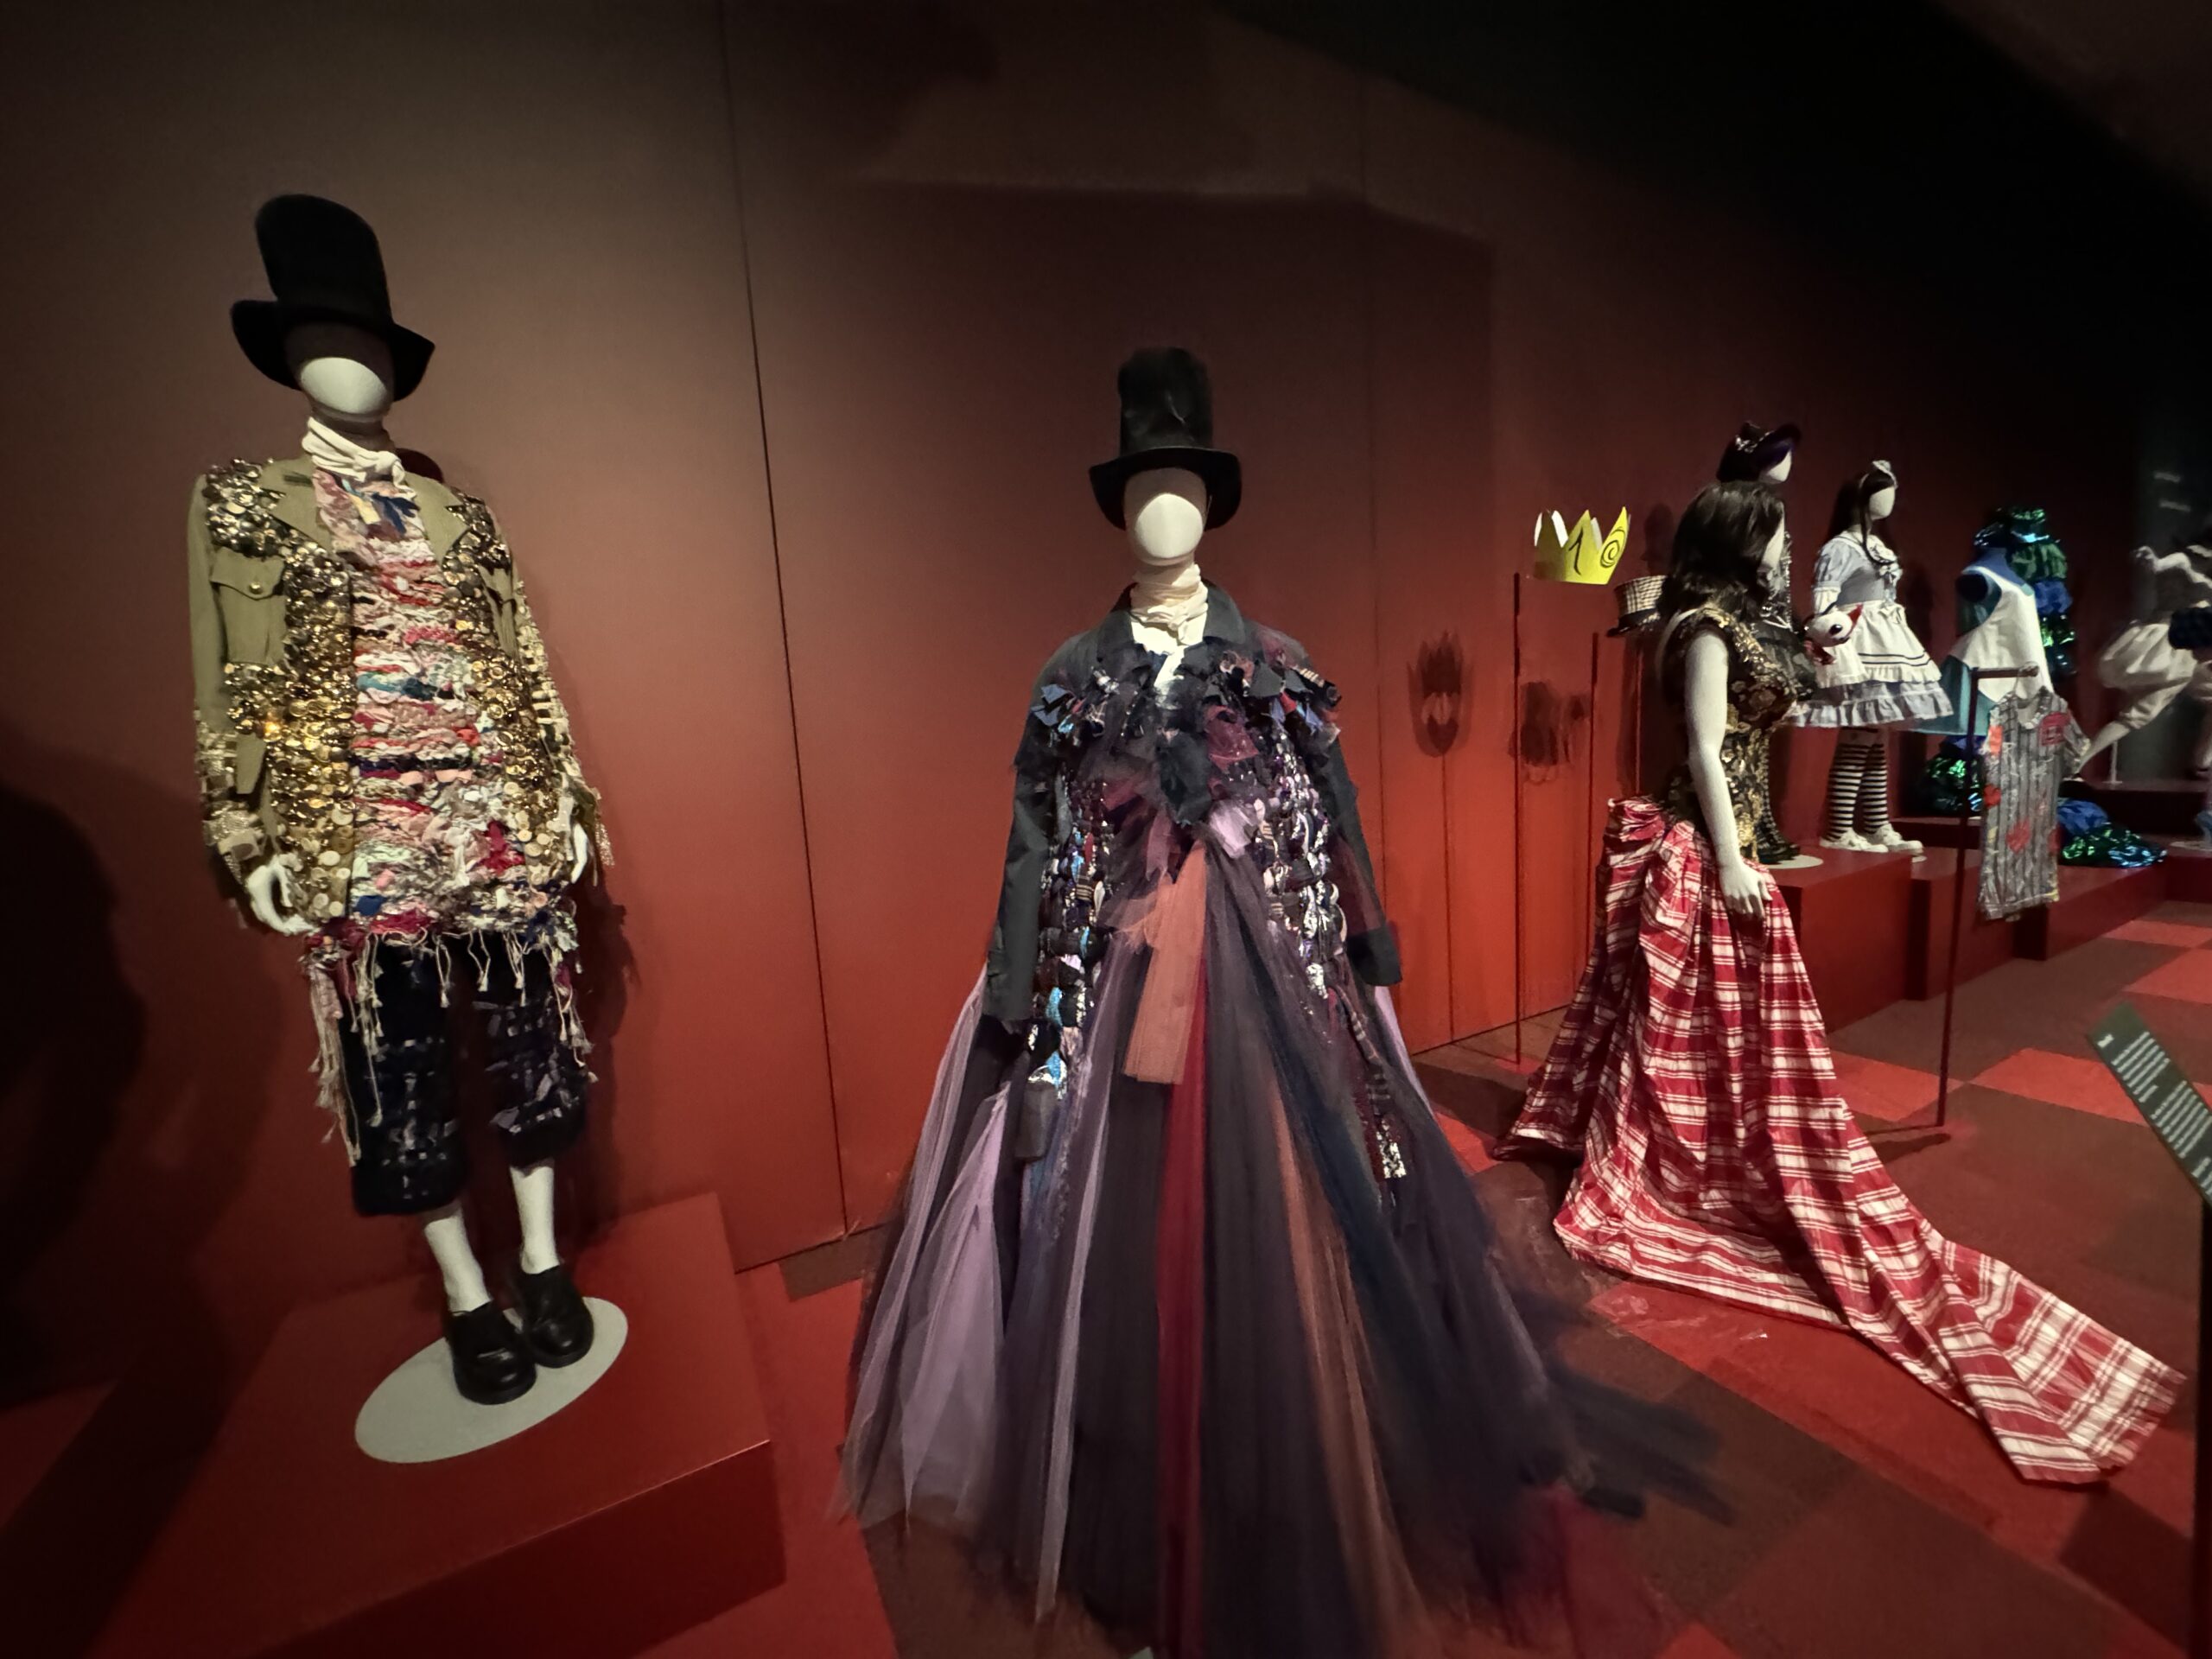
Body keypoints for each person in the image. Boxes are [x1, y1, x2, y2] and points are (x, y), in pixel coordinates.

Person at [842, 350, 1689, 1659]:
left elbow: (1332, 812)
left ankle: (1306, 1447)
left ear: (1212, 501)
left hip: (1271, 975)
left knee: (1297, 1210)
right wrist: (1017, 990)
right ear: (1118, 505)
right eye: (1144, 484)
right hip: (1113, 976)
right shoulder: (1072, 670)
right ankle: (1133, 1478)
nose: (1163, 507)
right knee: (1109, 1237)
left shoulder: (1276, 661)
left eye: (1182, 483)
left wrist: (1366, 943)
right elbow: (1032, 837)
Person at [1505, 480, 2181, 1484]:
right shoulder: (1702, 630)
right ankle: (1671, 1148)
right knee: (1673, 1014)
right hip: (1702, 840)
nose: (1786, 549)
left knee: (1713, 1018)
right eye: (1774, 536)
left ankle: (1706, 1137)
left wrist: (1817, 647)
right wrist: (1728, 858)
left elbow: (1773, 704)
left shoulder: (1745, 620)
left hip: (1737, 840)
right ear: (1738, 539)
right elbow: (1703, 750)